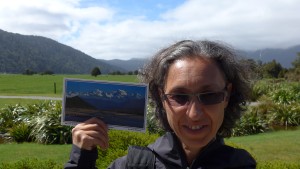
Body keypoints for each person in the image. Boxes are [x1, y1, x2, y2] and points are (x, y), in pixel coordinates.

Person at [64, 40, 256, 169]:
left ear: (227, 96)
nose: (194, 113)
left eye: (210, 95)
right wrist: (81, 159)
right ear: (160, 97)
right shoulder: (135, 165)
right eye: (179, 96)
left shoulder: (241, 165)